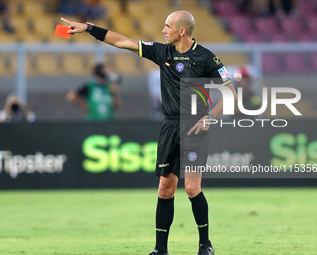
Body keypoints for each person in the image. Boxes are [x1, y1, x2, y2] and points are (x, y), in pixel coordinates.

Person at [61, 10, 237, 255]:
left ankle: (205, 245)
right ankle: (160, 250)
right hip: (170, 127)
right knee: (165, 189)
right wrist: (90, 28)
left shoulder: (207, 58)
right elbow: (123, 42)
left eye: (167, 26)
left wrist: (209, 118)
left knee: (191, 189)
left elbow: (231, 95)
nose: (163, 31)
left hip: (194, 129)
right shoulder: (162, 52)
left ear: (182, 31)